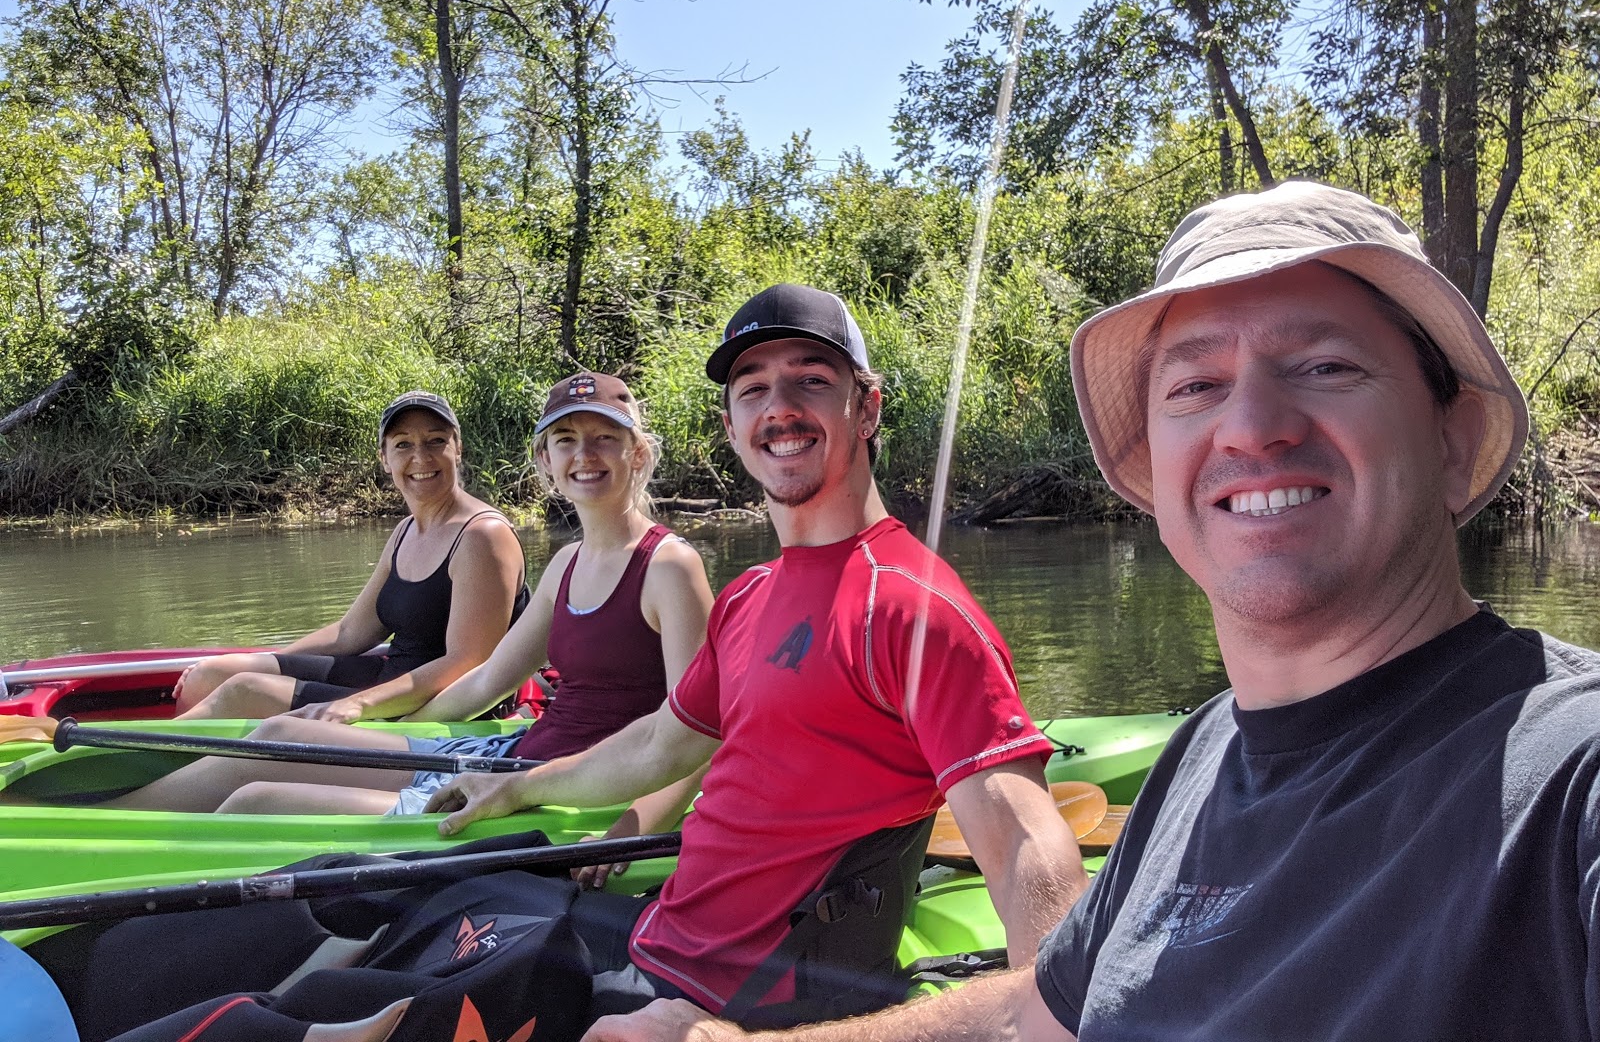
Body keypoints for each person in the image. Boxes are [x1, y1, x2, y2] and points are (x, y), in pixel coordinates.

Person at [587, 181, 1600, 1042]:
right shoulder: (1202, 756)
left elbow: (1024, 835)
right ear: (1154, 471)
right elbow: (1047, 1004)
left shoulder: (1569, 774)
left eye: (1325, 366)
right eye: (1197, 384)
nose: (1249, 427)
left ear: (1457, 437)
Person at [425, 283, 1088, 1031]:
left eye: (811, 379)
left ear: (865, 408)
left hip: (738, 1001)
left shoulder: (908, 607)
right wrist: (519, 789)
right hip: (654, 939)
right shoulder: (749, 597)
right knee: (426, 915)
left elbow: (1026, 840)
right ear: (732, 425)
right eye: (753, 389)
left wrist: (1046, 1010)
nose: (779, 407)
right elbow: (658, 744)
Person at [109, 374, 714, 865]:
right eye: (566, 440)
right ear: (545, 461)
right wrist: (382, 731)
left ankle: (110, 850)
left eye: (605, 437)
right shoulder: (566, 562)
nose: (585, 455)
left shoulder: (669, 567)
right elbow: (484, 683)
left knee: (253, 801)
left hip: (557, 791)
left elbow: (700, 734)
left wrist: (633, 834)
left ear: (637, 452)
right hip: (511, 757)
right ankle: (110, 815)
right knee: (280, 734)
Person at [172, 390, 530, 721]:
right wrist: (264, 660)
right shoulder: (406, 530)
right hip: (391, 677)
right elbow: (349, 634)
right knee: (212, 674)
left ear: (458, 449)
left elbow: (468, 663)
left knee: (243, 691)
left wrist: (357, 703)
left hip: (438, 708)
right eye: (403, 444)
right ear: (385, 459)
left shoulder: (483, 536)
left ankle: (155, 764)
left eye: (436, 441)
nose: (421, 457)